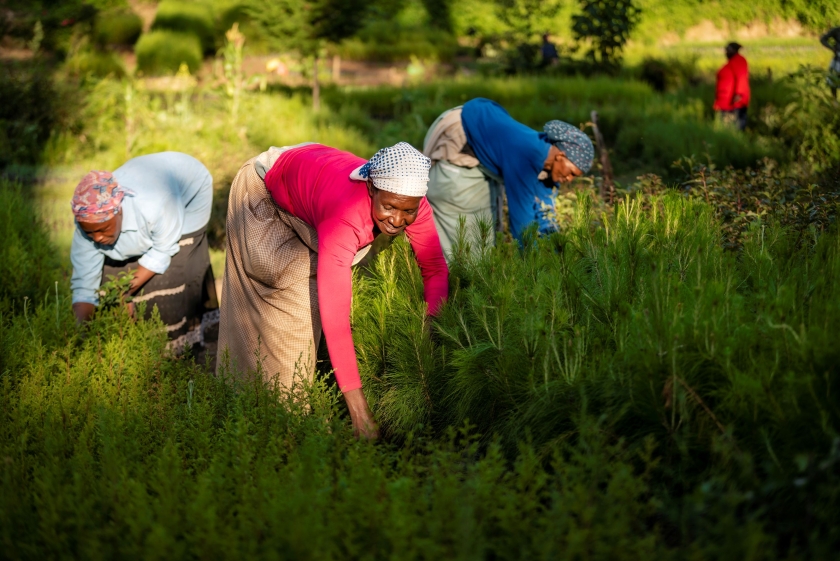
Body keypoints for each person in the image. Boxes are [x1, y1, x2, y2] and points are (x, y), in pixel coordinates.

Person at [218, 142, 448, 439]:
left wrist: (431, 326)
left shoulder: (410, 199)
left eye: (408, 211)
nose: (397, 220)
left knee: (314, 298)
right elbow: (336, 318)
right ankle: (274, 427)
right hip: (263, 189)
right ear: (371, 189)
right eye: (388, 207)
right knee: (293, 314)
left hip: (308, 178)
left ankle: (272, 402)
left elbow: (434, 267)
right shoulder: (345, 217)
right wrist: (359, 409)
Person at [70, 152, 217, 350]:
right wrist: (81, 338)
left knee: (172, 275)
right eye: (90, 233)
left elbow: (163, 250)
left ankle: (180, 346)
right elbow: (84, 287)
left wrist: (124, 292)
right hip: (148, 188)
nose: (97, 238)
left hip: (190, 189)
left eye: (103, 230)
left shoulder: (153, 206)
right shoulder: (85, 226)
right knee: (112, 280)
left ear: (119, 211)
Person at [422, 97, 594, 258]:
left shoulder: (549, 166)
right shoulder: (526, 156)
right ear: (561, 156)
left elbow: (545, 212)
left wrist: (559, 254)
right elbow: (521, 222)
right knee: (468, 236)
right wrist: (534, 266)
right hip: (461, 130)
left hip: (487, 122)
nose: (570, 179)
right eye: (571, 172)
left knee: (487, 231)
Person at [713, 42, 750, 131]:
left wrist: (738, 94)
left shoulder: (739, 61)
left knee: (735, 125)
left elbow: (741, 78)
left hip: (734, 101)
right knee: (727, 125)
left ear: (734, 50)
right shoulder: (732, 62)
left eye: (728, 50)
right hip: (727, 99)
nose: (726, 52)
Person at [820, 27, 840, 100]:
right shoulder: (837, 30)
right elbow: (823, 39)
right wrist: (832, 48)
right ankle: (834, 101)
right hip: (838, 59)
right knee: (833, 80)